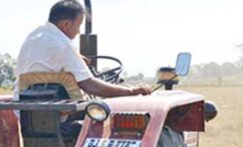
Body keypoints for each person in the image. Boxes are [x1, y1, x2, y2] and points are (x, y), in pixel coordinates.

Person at [15, 0, 152, 100]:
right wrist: (131, 91)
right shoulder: (64, 45)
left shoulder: (34, 36)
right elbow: (90, 85)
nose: (79, 31)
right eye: (78, 26)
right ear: (66, 24)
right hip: (58, 115)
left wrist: (77, 57)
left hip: (23, 109)